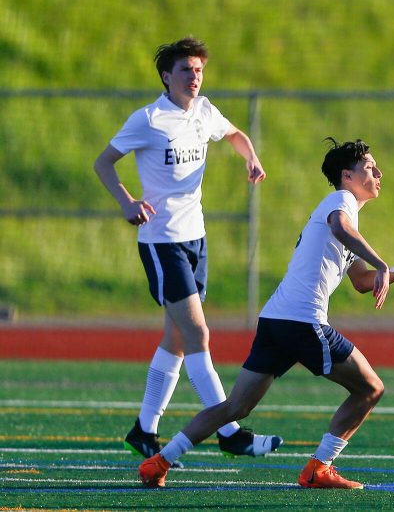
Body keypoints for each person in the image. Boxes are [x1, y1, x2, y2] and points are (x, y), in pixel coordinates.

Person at [138, 138, 394, 488]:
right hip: (303, 322)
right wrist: (382, 262)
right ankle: (319, 467)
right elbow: (342, 229)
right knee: (370, 388)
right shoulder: (341, 203)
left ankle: (159, 462)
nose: (379, 172)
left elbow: (360, 282)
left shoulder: (345, 214)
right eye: (370, 167)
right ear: (347, 176)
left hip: (277, 320)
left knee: (235, 407)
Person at [94, 36, 280, 463]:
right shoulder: (149, 119)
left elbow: (234, 133)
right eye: (185, 70)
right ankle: (230, 431)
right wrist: (127, 203)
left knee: (177, 339)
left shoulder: (204, 111)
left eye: (198, 70)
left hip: (196, 238)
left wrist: (250, 158)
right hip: (162, 242)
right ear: (166, 76)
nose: (194, 77)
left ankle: (144, 429)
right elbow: (103, 162)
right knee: (198, 335)